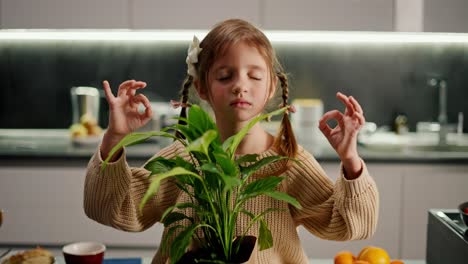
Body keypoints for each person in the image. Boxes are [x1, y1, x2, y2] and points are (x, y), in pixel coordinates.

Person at [84, 18, 378, 264]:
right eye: (225, 76)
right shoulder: (183, 159)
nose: (240, 85)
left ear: (271, 86)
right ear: (202, 87)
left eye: (254, 76)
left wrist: (351, 160)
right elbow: (113, 208)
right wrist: (115, 138)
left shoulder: (288, 164)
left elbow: (351, 225)